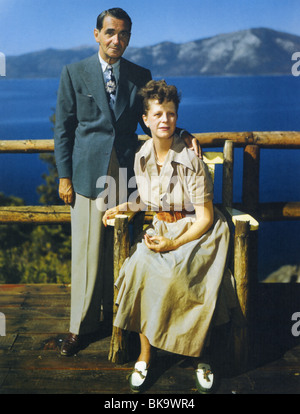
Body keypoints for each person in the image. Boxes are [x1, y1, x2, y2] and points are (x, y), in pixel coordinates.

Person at [54, 8, 199, 357]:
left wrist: (181, 132)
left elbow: (154, 116)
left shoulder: (139, 75)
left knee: (121, 251)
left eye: (123, 34)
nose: (116, 40)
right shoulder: (74, 73)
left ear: (129, 37)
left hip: (124, 174)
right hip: (86, 174)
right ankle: (79, 328)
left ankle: (120, 319)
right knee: (87, 255)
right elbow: (63, 127)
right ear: (96, 34)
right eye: (110, 32)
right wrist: (64, 175)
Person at [103, 80, 237, 394]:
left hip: (199, 233)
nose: (166, 120)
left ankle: (200, 355)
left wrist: (174, 244)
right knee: (139, 267)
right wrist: (123, 205)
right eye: (159, 114)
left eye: (172, 114)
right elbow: (150, 200)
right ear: (146, 119)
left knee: (178, 275)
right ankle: (146, 355)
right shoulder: (143, 154)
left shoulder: (191, 158)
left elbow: (205, 217)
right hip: (163, 227)